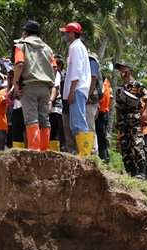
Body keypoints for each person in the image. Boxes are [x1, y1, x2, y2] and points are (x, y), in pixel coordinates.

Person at [12, 20, 55, 151]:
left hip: (29, 87)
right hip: (45, 88)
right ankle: (44, 150)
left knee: (31, 120)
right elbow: (54, 68)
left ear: (25, 32)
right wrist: (50, 83)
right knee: (44, 120)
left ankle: (35, 151)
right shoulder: (47, 48)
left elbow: (19, 64)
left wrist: (15, 83)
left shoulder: (21, 45)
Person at [59, 22, 93, 157]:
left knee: (79, 121)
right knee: (75, 123)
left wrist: (71, 91)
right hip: (77, 89)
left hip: (77, 89)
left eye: (66, 33)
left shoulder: (76, 47)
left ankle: (85, 154)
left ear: (72, 34)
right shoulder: (76, 46)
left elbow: (76, 72)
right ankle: (82, 152)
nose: (65, 35)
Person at [114, 62, 147, 179]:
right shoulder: (120, 89)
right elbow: (118, 107)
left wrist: (145, 113)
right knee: (125, 147)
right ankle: (131, 173)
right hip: (123, 121)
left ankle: (142, 172)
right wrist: (118, 122)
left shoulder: (137, 85)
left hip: (135, 118)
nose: (121, 71)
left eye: (123, 68)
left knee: (137, 144)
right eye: (120, 69)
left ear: (129, 69)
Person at [86, 52, 102, 155]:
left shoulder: (91, 60)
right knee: (87, 126)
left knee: (89, 126)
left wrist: (86, 95)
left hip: (90, 100)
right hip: (90, 100)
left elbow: (93, 78)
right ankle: (88, 151)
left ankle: (93, 153)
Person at [96, 76, 113, 163]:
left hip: (102, 112)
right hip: (101, 111)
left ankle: (104, 158)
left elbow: (111, 99)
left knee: (101, 135)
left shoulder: (105, 84)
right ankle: (103, 157)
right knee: (101, 135)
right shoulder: (107, 84)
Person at [49, 60, 63, 151]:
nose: (56, 66)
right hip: (46, 104)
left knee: (54, 131)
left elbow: (56, 89)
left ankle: (55, 154)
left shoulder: (57, 74)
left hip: (56, 105)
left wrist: (50, 100)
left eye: (58, 64)